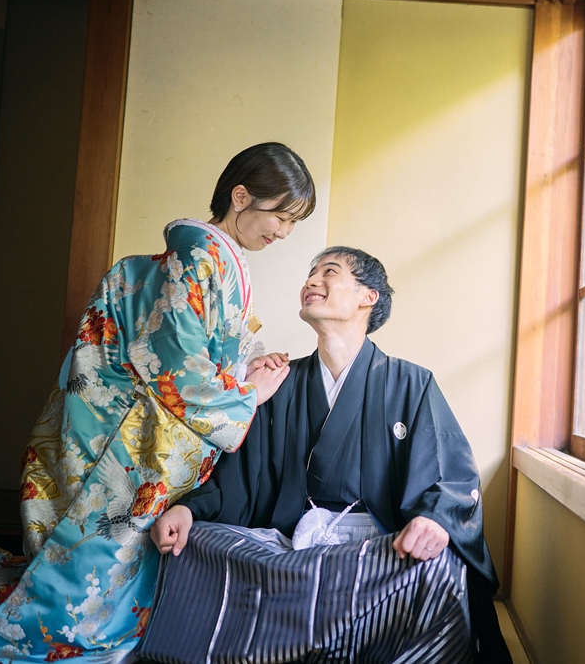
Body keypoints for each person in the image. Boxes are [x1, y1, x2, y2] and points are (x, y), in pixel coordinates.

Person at [0, 142, 315, 663]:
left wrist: (252, 362)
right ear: (241, 196)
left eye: (294, 221)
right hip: (139, 437)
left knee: (114, 562)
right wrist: (250, 393)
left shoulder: (218, 260)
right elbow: (179, 366)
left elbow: (216, 346)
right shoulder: (199, 256)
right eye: (281, 216)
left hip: (156, 429)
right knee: (99, 560)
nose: (285, 232)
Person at [140, 247, 512, 664]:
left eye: (328, 272)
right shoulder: (280, 381)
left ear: (367, 296)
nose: (311, 281)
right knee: (194, 543)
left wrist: (434, 521)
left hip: (379, 549)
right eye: (309, 273)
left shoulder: (411, 382)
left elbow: (450, 474)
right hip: (289, 542)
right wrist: (192, 511)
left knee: (439, 568)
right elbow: (239, 479)